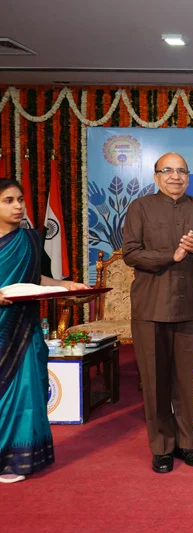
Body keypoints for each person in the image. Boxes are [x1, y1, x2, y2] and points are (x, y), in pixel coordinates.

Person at [122, 152, 193, 474]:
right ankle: (162, 447)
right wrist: (174, 255)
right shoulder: (140, 207)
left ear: (188, 176)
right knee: (155, 382)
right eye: (167, 170)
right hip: (151, 306)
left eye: (181, 171)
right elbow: (131, 253)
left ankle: (188, 443)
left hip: (190, 306)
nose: (175, 176)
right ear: (156, 177)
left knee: (186, 380)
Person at [0, 178, 88, 483]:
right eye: (8, 200)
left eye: (20, 199)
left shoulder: (30, 239)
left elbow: (35, 279)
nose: (18, 206)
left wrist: (66, 285)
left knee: (26, 390)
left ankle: (17, 459)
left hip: (24, 327)